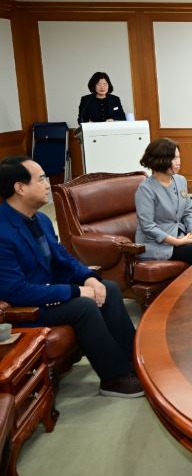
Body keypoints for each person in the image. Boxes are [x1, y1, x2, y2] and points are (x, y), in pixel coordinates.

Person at [0, 156, 143, 397]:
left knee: (108, 288)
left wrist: (89, 278)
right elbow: (16, 291)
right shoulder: (3, 231)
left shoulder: (41, 219)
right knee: (83, 306)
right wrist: (75, 291)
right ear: (20, 188)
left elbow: (62, 258)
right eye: (41, 179)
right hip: (28, 307)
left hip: (49, 291)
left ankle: (134, 361)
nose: (48, 184)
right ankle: (114, 378)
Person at [135, 138, 192, 264]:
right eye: (174, 158)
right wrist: (176, 242)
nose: (179, 162)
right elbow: (147, 226)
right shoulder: (145, 189)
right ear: (160, 161)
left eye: (179, 157)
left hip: (179, 236)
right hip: (155, 244)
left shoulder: (181, 180)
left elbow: (187, 211)